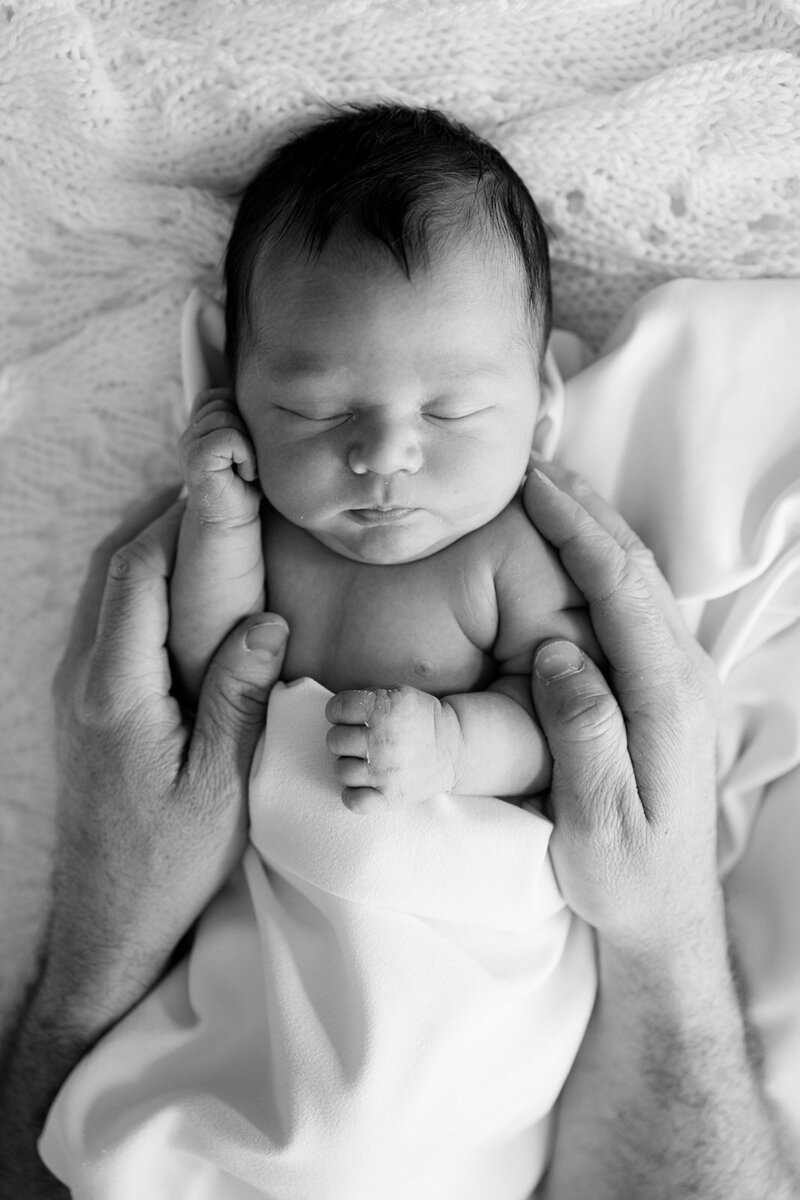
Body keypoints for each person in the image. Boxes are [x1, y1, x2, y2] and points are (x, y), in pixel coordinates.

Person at [2, 463, 798, 1199]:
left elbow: (549, 717)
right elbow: (208, 650)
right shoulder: (278, 533)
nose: (384, 449)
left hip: (437, 915)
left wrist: (453, 743)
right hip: (288, 902)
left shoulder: (503, 545)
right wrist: (215, 517)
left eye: (449, 409)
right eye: (312, 408)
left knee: (345, 1119)